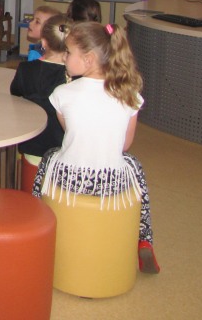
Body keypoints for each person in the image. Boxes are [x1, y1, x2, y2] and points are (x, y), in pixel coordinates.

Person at [31, 22, 160, 274]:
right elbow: (124, 145)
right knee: (134, 165)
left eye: (68, 52)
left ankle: (37, 225)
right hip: (111, 183)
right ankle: (144, 239)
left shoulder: (62, 93)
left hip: (69, 181)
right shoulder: (129, 94)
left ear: (88, 59)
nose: (65, 57)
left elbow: (70, 135)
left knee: (49, 157)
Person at [9, 15, 71, 180]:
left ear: (43, 43)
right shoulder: (76, 78)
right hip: (65, 149)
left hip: (32, 144)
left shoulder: (25, 69)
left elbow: (15, 93)